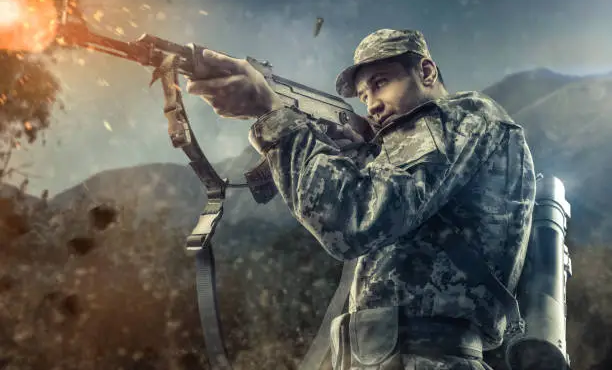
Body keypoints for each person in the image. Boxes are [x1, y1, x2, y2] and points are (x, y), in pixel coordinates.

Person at [186, 29, 536, 370]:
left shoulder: (462, 117)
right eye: (364, 96)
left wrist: (275, 118)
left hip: (426, 357)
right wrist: (355, 154)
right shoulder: (430, 147)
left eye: (381, 83)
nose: (372, 106)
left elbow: (352, 219)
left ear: (426, 72)